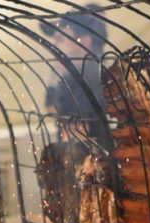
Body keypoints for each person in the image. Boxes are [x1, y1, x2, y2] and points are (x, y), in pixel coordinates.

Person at [41, 3, 109, 145]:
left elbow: (76, 132)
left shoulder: (88, 78)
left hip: (88, 159)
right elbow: (49, 105)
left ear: (83, 42)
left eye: (60, 40)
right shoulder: (69, 75)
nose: (55, 47)